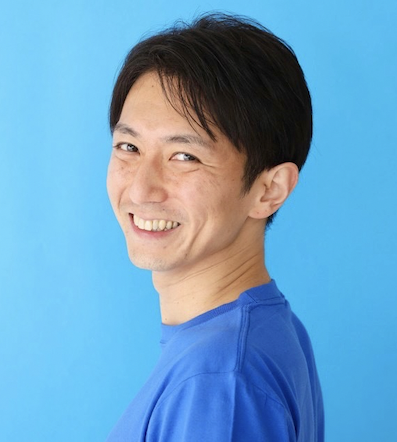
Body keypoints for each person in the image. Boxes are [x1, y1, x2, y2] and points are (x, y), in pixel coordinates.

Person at [105, 12, 324, 442]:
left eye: (185, 156)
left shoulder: (219, 380)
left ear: (269, 190)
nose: (141, 189)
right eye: (129, 146)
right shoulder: (267, 331)